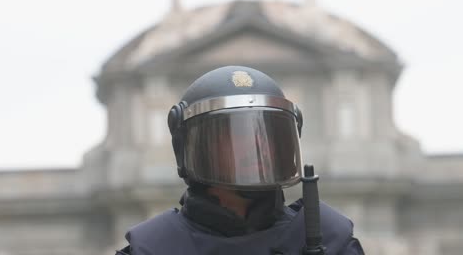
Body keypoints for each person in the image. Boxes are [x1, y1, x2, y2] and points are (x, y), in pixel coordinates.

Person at [116, 66, 365, 255]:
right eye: (235, 137)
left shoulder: (330, 236)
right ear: (191, 149)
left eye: (268, 136)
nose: (256, 149)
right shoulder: (152, 248)